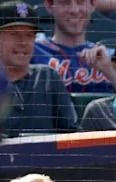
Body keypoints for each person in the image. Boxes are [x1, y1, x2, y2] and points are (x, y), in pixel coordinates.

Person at [0, 1, 78, 137]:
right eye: (14, 34)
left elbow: (71, 133)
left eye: (29, 35)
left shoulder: (48, 77)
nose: (23, 42)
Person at [31, 0, 116, 93]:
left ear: (93, 4)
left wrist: (109, 71)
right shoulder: (33, 51)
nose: (74, 10)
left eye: (81, 2)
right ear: (49, 6)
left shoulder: (112, 57)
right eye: (65, 3)